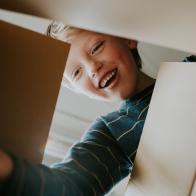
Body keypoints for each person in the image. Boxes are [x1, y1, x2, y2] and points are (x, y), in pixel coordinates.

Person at [0, 22, 194, 196]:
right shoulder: (112, 132)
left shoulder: (190, 70)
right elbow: (72, 185)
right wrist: (7, 168)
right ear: (78, 91)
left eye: (96, 47)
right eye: (77, 72)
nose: (93, 67)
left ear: (128, 38)